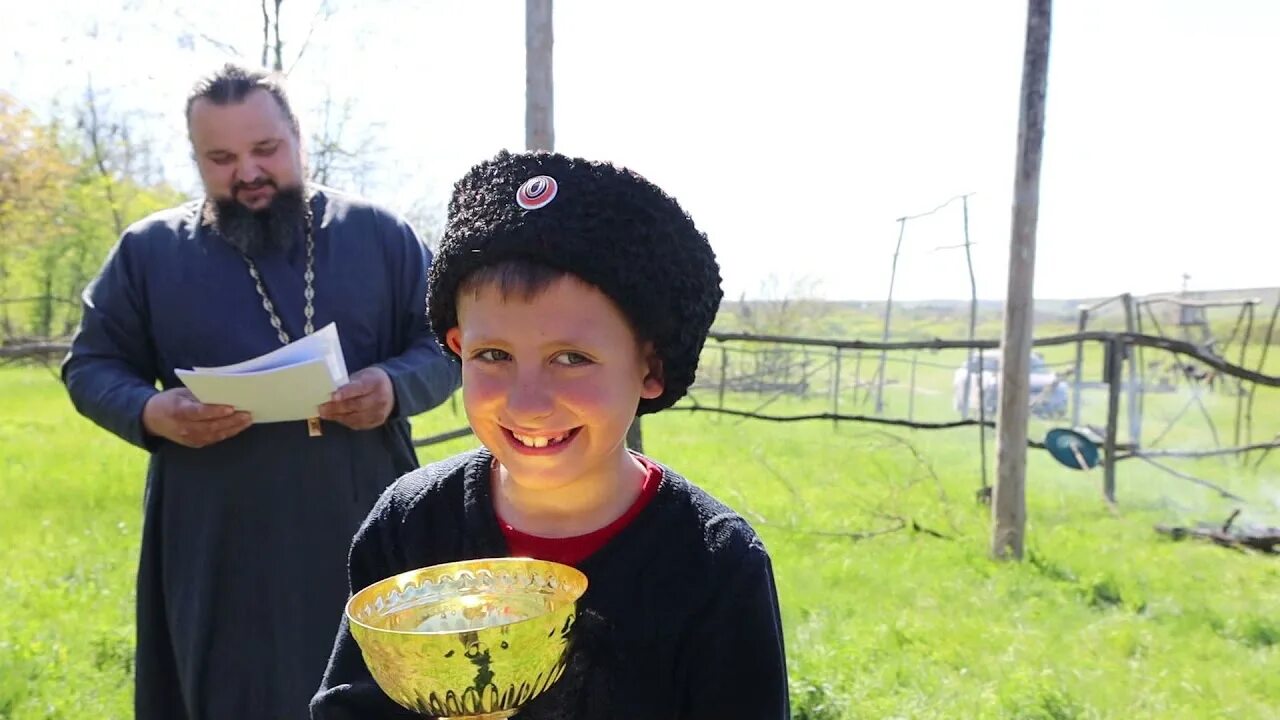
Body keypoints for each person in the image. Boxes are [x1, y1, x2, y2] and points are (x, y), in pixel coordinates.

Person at [312, 150, 790, 719]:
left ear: (651, 368)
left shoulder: (713, 564)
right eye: (494, 355)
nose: (527, 403)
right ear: (459, 349)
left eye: (572, 357)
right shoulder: (411, 525)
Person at [61, 64, 460, 720]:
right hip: (215, 533)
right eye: (220, 158)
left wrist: (392, 385)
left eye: (265, 150)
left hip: (357, 519)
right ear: (196, 159)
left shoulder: (380, 237)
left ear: (298, 139)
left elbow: (445, 345)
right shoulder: (150, 251)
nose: (246, 172)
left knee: (379, 691)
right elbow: (91, 366)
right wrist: (152, 411)